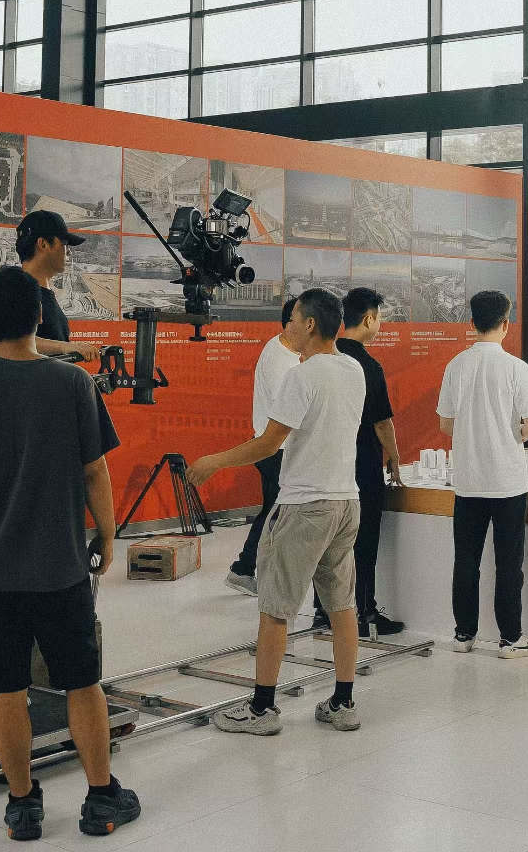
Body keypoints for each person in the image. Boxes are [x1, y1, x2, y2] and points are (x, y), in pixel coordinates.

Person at [0, 265, 140, 841]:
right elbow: (95, 470)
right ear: (40, 316)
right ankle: (101, 798)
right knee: (82, 684)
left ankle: (22, 805)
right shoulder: (72, 383)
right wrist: (107, 533)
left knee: (5, 690)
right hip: (60, 568)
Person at [189, 289, 366, 735]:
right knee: (342, 604)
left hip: (305, 504)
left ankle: (262, 709)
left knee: (275, 608)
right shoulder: (354, 370)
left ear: (310, 324)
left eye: (293, 320)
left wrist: (214, 462)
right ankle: (343, 702)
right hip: (346, 501)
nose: (288, 327)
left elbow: (269, 443)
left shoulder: (301, 377)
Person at [437, 290, 528, 659]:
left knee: (466, 561)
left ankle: (463, 634)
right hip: (507, 482)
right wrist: (510, 433)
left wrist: (474, 431)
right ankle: (511, 638)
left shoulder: (455, 366)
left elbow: (446, 424)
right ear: (505, 324)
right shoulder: (516, 368)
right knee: (508, 564)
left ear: (472, 323)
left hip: (468, 480)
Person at [310, 287, 405, 637]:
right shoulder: (368, 366)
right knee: (363, 543)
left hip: (327, 465)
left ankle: (323, 612)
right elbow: (382, 423)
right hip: (362, 466)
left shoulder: (322, 360)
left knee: (328, 545)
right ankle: (364, 613)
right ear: (368, 319)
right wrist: (394, 457)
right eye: (379, 318)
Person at [225, 297, 303, 597]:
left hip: (276, 446)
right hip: (275, 448)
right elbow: (291, 411)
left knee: (276, 510)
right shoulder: (280, 360)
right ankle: (244, 569)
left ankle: (247, 568)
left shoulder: (286, 351)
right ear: (291, 323)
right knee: (275, 512)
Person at [16, 209, 100, 363]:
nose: (69, 252)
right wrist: (65, 347)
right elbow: (17, 341)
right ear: (43, 244)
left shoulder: (42, 292)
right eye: (65, 244)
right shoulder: (19, 290)